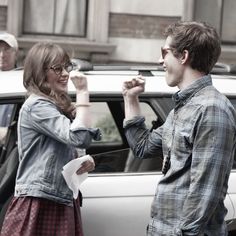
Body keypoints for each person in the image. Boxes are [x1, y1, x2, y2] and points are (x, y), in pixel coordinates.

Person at [122, 21, 236, 235]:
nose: (160, 60)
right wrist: (130, 99)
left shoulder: (211, 109)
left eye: (164, 52)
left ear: (183, 56)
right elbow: (142, 147)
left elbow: (205, 192)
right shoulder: (182, 110)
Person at [0, 42, 101, 236]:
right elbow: (77, 137)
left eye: (66, 67)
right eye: (57, 68)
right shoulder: (37, 105)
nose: (65, 74)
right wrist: (82, 93)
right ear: (40, 72)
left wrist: (84, 161)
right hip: (40, 200)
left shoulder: (55, 106)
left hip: (57, 198)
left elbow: (80, 142)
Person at [0, 32, 18, 145]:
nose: (2, 54)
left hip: (13, 148)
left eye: (7, 49)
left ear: (16, 53)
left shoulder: (24, 81)